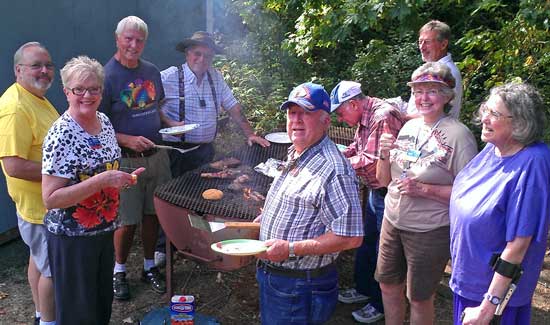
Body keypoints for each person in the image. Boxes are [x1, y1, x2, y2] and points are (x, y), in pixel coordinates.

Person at [42, 55, 142, 324]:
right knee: (78, 313)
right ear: (66, 92)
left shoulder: (105, 123)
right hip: (72, 238)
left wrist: (123, 179)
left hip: (102, 230)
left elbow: (105, 170)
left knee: (100, 307)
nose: (87, 95)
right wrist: (102, 180)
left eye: (94, 88)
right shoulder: (61, 134)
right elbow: (51, 199)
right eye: (79, 89)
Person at [375, 62, 478, 325]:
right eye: (419, 91)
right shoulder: (409, 127)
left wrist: (424, 189)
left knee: (419, 297)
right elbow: (383, 180)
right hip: (393, 220)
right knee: (387, 285)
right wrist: (383, 154)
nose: (423, 98)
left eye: (432, 91)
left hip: (429, 229)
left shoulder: (459, 136)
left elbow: (470, 196)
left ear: (447, 96)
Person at [256, 82, 364, 324]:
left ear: (326, 121)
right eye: (292, 113)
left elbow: (350, 237)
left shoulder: (335, 170)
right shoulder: (299, 151)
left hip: (300, 284)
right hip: (278, 278)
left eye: (306, 113)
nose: (296, 120)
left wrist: (291, 248)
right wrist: (268, 217)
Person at [449, 82, 550, 325]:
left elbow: (518, 245)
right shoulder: (492, 149)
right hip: (468, 282)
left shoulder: (533, 163)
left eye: (494, 114)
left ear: (520, 123)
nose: (484, 118)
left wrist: (488, 307)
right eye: (486, 109)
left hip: (492, 298)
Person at [99, 16, 175, 300]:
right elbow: (98, 124)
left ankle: (148, 266)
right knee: (127, 220)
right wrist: (126, 139)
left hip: (157, 155)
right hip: (127, 160)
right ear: (117, 39)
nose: (134, 44)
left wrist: (172, 125)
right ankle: (118, 271)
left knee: (153, 215)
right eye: (128, 38)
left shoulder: (151, 71)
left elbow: (155, 109)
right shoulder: (106, 76)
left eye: (139, 40)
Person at [329, 81, 404, 323]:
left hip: (389, 193)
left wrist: (337, 165)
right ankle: (363, 289)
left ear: (353, 103)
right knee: (367, 242)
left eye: (340, 112)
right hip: (375, 191)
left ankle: (381, 304)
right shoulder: (365, 116)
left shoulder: (382, 116)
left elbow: (372, 161)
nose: (340, 118)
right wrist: (338, 154)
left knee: (386, 252)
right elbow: (358, 148)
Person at [0, 42, 59, 325]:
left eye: (48, 65)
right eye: (36, 65)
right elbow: (13, 165)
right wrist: (63, 175)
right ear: (18, 70)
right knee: (52, 270)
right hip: (39, 207)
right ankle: (49, 321)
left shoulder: (36, 96)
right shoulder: (15, 107)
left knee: (38, 259)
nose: (45, 71)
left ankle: (39, 314)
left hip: (43, 203)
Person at [159, 31, 270, 178]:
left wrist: (250, 134)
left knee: (202, 194)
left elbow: (233, 107)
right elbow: (147, 105)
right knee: (174, 196)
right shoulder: (168, 77)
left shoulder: (215, 77)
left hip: (206, 153)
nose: (202, 59)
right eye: (197, 53)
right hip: (176, 154)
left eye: (208, 56)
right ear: (187, 53)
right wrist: (169, 122)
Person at [404, 20, 463, 120]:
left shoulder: (447, 72)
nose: (422, 47)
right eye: (420, 42)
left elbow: (436, 113)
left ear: (443, 44)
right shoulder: (431, 68)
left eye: (427, 42)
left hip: (437, 132)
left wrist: (400, 118)